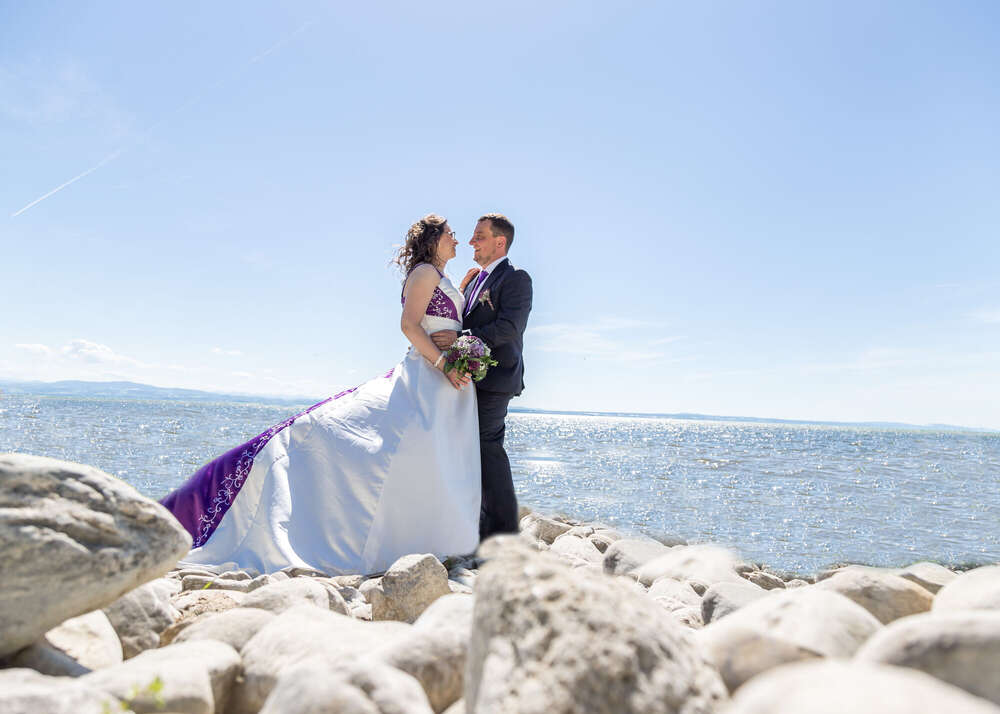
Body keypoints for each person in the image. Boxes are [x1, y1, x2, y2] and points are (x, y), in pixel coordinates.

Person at [160, 214, 481, 575]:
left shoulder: (444, 277)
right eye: (451, 234)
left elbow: (443, 320)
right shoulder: (424, 272)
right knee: (389, 449)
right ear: (434, 240)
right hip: (428, 374)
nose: (458, 239)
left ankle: (431, 540)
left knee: (430, 458)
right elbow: (409, 325)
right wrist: (442, 362)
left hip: (445, 382)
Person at [431, 213, 532, 540]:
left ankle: (503, 537)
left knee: (487, 447)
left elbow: (509, 328)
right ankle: (477, 527)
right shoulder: (474, 281)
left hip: (498, 377)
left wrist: (462, 337)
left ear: (499, 242)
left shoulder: (516, 279)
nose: (472, 242)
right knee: (470, 449)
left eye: (479, 236)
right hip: (469, 378)